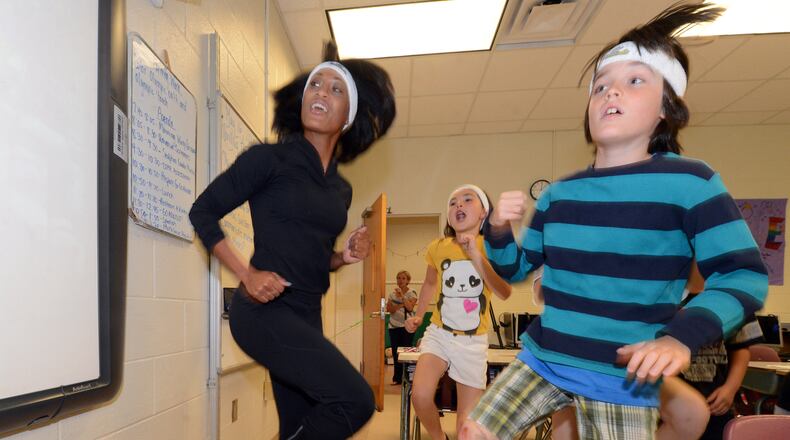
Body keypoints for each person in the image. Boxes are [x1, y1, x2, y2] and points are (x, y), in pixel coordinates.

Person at [460, 3, 769, 440]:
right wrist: (496, 230)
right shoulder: (559, 194)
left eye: (634, 81)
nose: (611, 92)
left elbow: (743, 275)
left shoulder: (691, 182)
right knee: (474, 433)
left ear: (666, 107)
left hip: (620, 375)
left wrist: (680, 338)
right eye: (600, 86)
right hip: (542, 358)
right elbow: (515, 269)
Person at [189, 42, 395, 440]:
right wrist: (246, 274)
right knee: (355, 400)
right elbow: (203, 211)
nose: (321, 92)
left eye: (336, 89)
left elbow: (315, 257)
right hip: (264, 312)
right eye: (315, 84)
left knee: (299, 426)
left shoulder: (340, 189)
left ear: (348, 117)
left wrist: (343, 257)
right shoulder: (268, 160)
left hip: (307, 312)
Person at [403, 184, 512, 440]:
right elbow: (430, 283)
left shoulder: (492, 247)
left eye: (467, 200)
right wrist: (418, 316)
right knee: (419, 396)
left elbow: (504, 291)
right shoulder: (438, 247)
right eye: (452, 203)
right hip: (439, 332)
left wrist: (475, 254)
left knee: (466, 425)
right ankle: (440, 437)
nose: (458, 205)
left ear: (484, 212)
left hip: (473, 342)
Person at [388, 270, 418, 385]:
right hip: (393, 326)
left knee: (406, 353)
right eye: (398, 278)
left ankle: (407, 378)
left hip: (408, 326)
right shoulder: (391, 294)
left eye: (403, 278)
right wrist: (401, 304)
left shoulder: (412, 293)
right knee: (396, 353)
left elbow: (410, 308)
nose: (400, 280)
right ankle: (397, 378)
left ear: (408, 281)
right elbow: (389, 309)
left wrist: (402, 297)